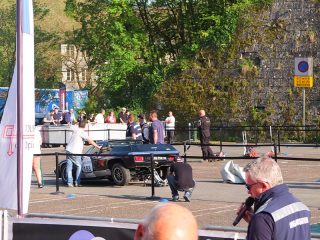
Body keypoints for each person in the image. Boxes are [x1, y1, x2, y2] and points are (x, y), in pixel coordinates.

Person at [240, 157, 310, 240]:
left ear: (263, 185)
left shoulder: (263, 218)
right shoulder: (302, 207)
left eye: (248, 187)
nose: (248, 192)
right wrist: (256, 225)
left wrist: (258, 223)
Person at [66, 120, 101, 187]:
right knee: (79, 166)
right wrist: (97, 146)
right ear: (85, 126)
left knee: (69, 167)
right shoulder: (82, 132)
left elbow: (71, 124)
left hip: (68, 150)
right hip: (75, 152)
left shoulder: (75, 129)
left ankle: (69, 182)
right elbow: (90, 140)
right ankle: (77, 182)